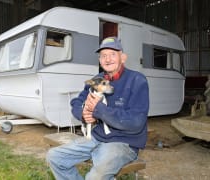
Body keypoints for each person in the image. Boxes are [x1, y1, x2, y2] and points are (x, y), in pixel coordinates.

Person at [46, 36, 149, 180]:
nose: (108, 59)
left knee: (95, 176)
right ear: (100, 60)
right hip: (97, 136)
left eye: (113, 54)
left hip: (124, 142)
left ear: (123, 57)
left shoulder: (137, 80)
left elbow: (136, 122)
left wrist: (98, 110)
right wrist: (83, 113)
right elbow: (76, 102)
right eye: (103, 56)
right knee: (55, 157)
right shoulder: (97, 79)